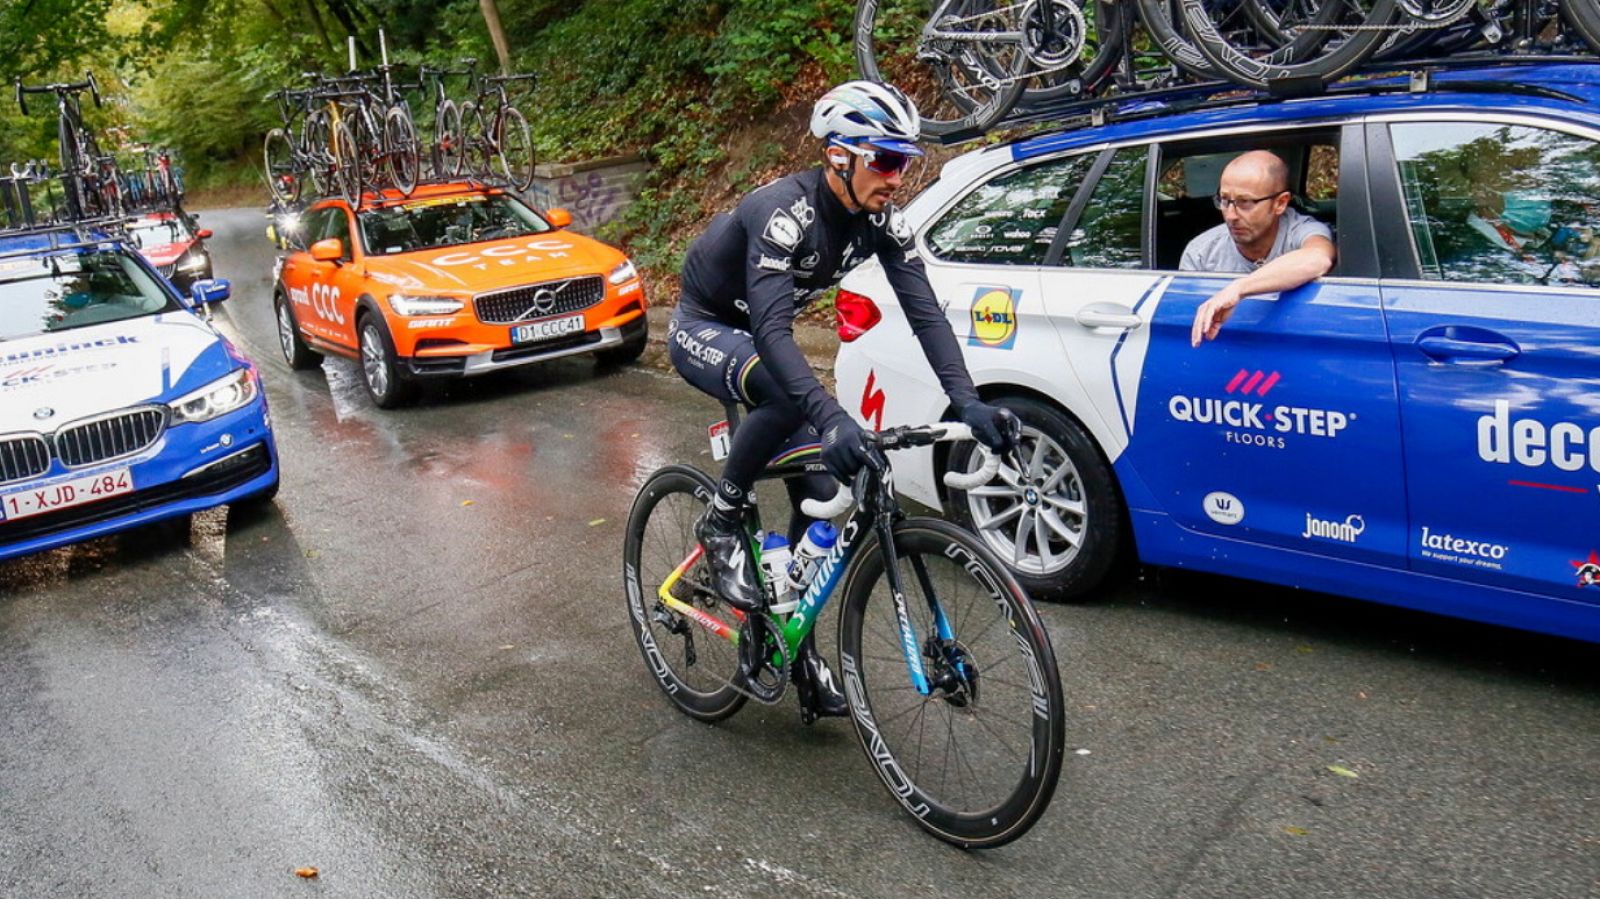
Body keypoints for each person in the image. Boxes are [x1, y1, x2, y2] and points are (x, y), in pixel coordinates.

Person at [667, 80, 1017, 718]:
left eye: (904, 162)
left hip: (760, 337)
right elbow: (772, 334)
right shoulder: (782, 213)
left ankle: (790, 648)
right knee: (784, 393)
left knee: (823, 488)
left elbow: (925, 313)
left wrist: (968, 403)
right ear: (838, 157)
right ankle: (720, 519)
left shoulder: (879, 216)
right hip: (705, 327)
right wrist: (831, 417)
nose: (897, 177)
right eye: (884, 160)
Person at [1184, 150, 1337, 346]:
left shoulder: (1302, 230)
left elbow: (1318, 257)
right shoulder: (1201, 252)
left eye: (1245, 202)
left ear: (1280, 203)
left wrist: (1239, 288)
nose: (1230, 215)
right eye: (1224, 200)